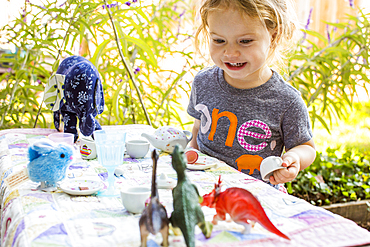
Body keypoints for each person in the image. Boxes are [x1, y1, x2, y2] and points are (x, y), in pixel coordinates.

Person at [187, 0, 316, 188]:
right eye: (219, 40)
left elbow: (306, 147)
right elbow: (197, 131)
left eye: (245, 41)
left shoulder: (286, 101)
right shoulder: (203, 82)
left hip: (256, 197)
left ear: (274, 35)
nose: (230, 52)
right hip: (206, 189)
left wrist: (294, 157)